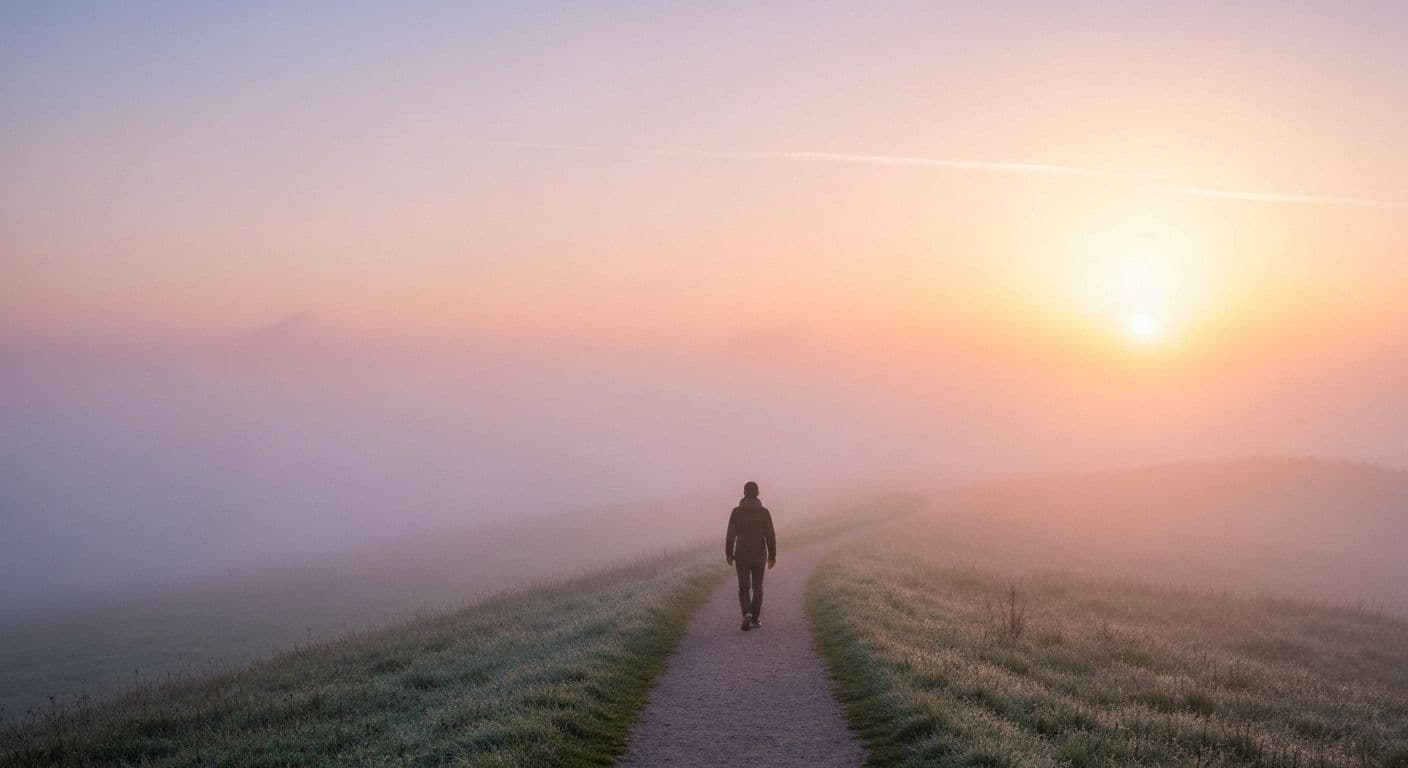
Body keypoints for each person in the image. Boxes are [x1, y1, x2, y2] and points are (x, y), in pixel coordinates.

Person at [725, 480, 776, 631]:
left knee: (744, 587)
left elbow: (730, 535)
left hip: (741, 554)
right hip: (759, 554)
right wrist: (772, 556)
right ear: (758, 493)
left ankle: (747, 612)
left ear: (744, 493)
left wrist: (729, 553)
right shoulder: (764, 512)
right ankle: (755, 618)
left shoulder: (736, 512)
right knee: (757, 586)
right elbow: (770, 535)